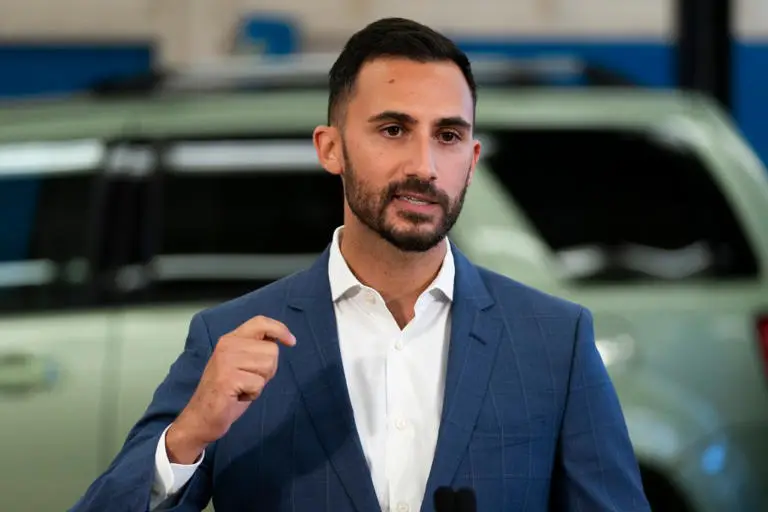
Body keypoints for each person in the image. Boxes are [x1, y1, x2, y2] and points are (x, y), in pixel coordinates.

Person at [70, 17, 650, 512]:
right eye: (393, 130)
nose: (423, 164)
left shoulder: (554, 342)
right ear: (330, 148)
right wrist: (188, 435)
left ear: (471, 159)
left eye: (448, 135)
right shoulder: (228, 340)